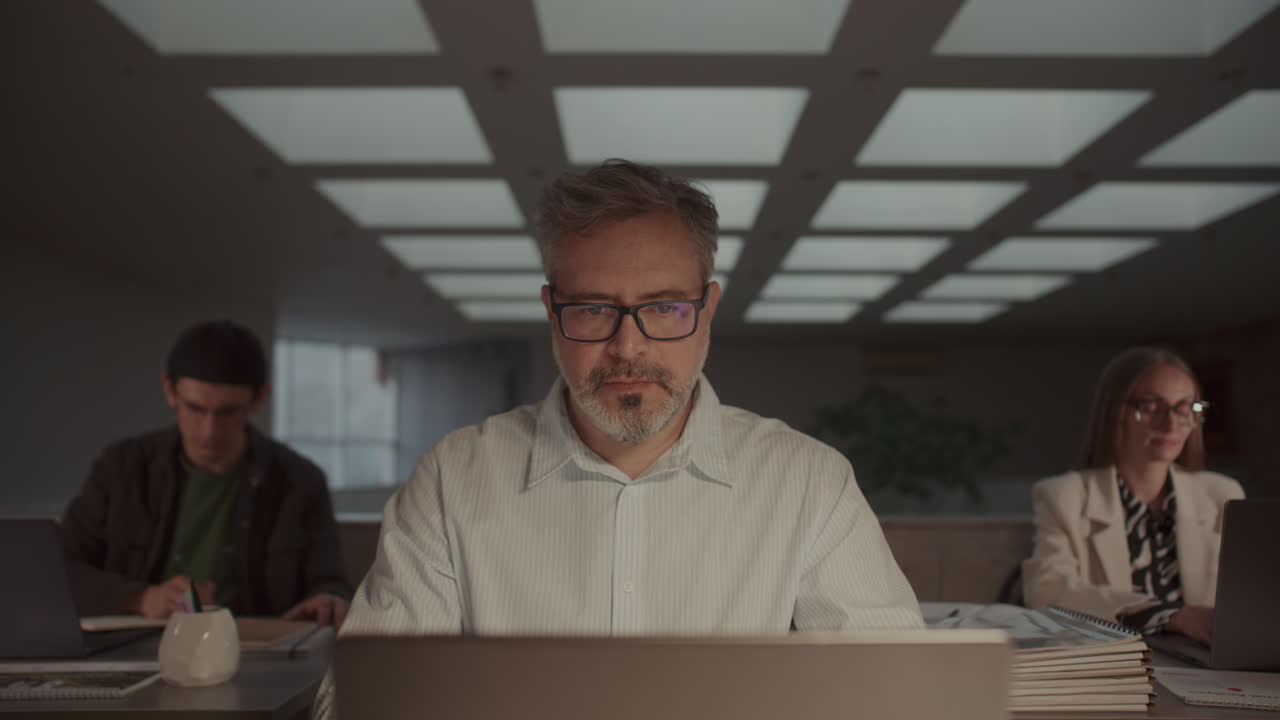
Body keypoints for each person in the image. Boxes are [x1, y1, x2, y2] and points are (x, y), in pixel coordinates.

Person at [311, 160, 921, 719]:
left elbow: (902, 697)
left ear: (706, 311)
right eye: (594, 310)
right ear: (553, 312)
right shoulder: (454, 478)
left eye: (663, 309)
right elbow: (363, 702)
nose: (628, 348)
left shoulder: (808, 481)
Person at [59, 321, 353, 626]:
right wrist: (140, 598)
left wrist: (328, 600)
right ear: (169, 390)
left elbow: (330, 581)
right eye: (195, 408)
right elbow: (58, 570)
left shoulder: (300, 480)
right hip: (138, 646)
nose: (209, 432)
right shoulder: (121, 468)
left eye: (227, 412)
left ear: (259, 399)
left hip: (256, 652)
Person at [1022, 347, 1243, 645]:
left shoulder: (1222, 495)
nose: (1170, 424)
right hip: (1110, 664)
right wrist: (1173, 616)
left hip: (1204, 666)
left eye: (1184, 408)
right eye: (1152, 406)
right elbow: (1045, 590)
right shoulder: (1065, 496)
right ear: (1115, 412)